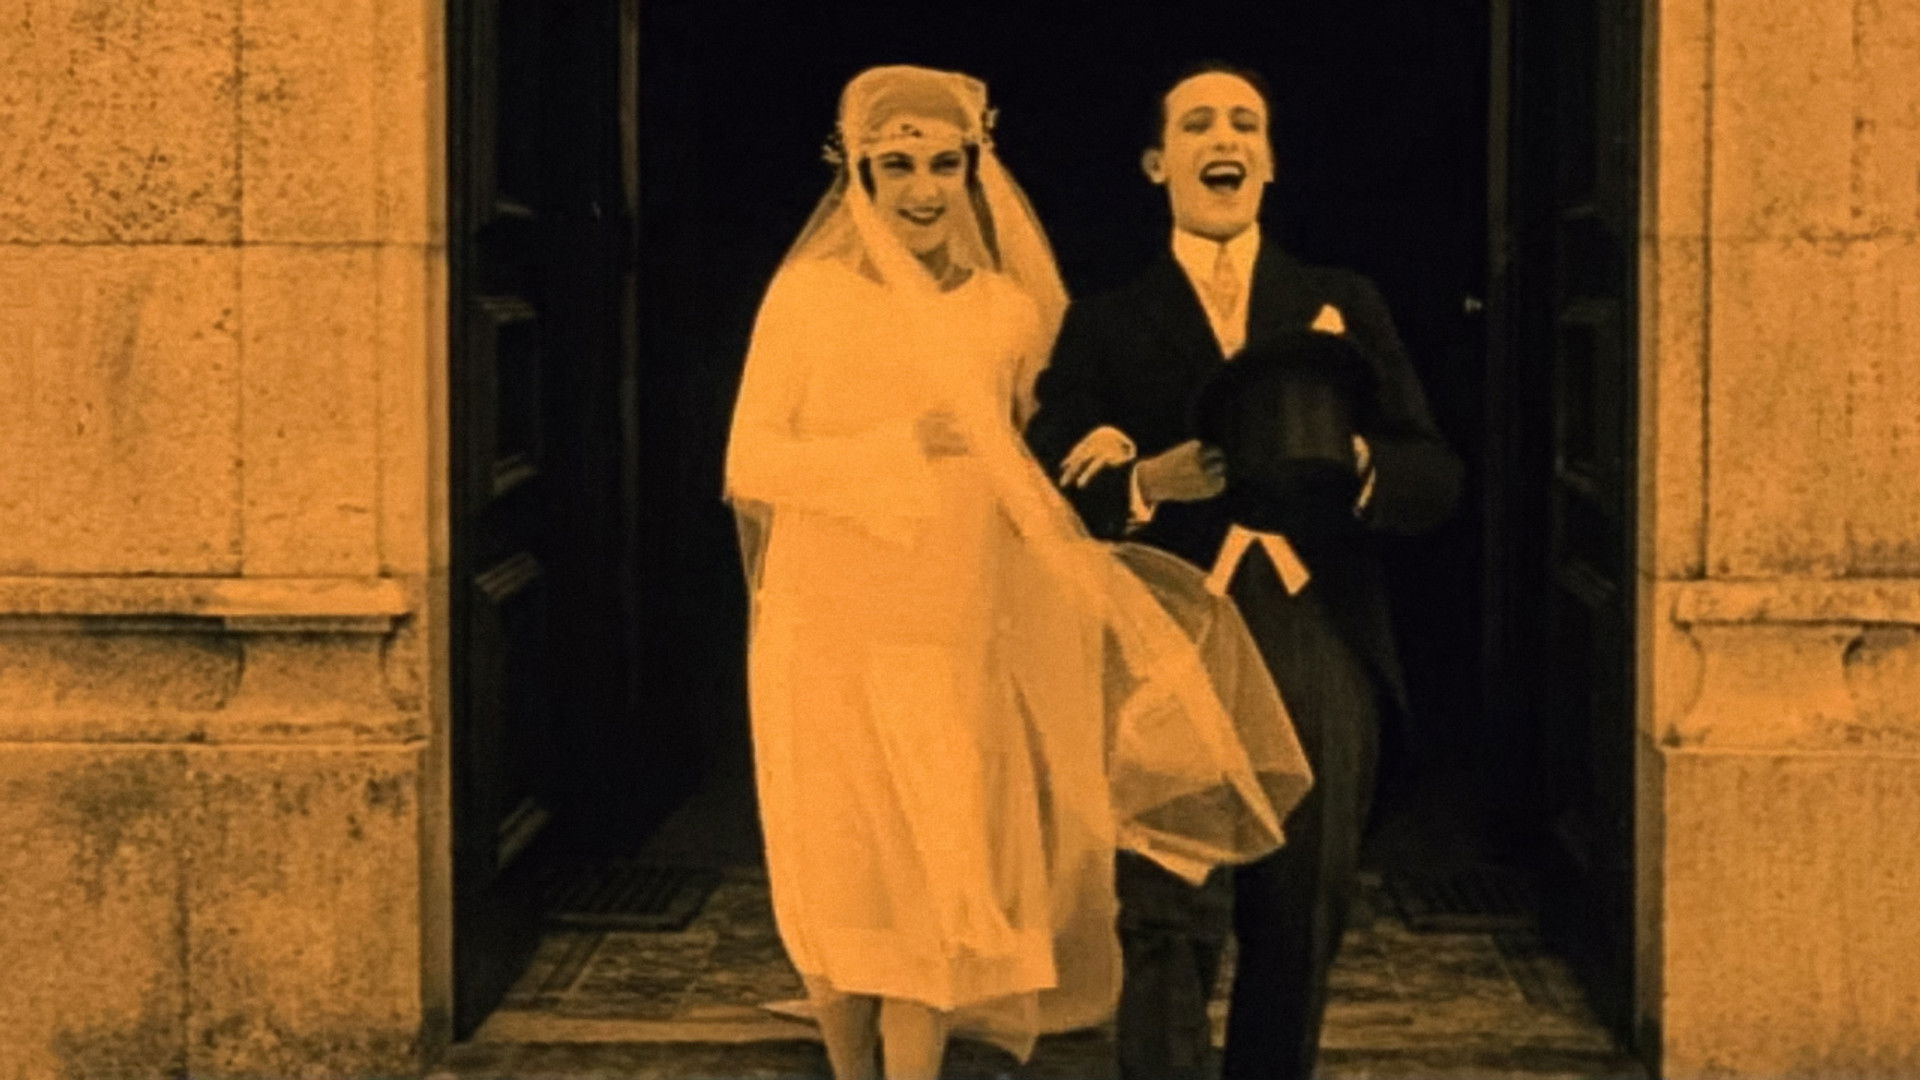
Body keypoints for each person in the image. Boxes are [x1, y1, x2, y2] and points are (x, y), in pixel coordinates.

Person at [723, 66, 1312, 1080]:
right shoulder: (810, 299)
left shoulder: (1003, 310)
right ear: (859, 174)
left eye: (943, 165)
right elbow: (750, 462)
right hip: (826, 630)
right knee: (840, 885)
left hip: (951, 632)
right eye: (897, 165)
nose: (922, 190)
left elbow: (1056, 443)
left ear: (972, 170)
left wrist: (1115, 454)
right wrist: (904, 446)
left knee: (932, 900)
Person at [1025, 62, 1463, 1080]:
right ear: (1157, 163)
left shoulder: (1339, 302)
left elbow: (1436, 473)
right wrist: (1144, 481)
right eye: (1196, 125)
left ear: (1268, 162)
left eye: (1244, 125)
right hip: (1165, 645)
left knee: (1301, 914)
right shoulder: (1105, 321)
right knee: (1163, 916)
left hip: (1318, 636)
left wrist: (1361, 464)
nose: (1223, 139)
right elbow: (1046, 481)